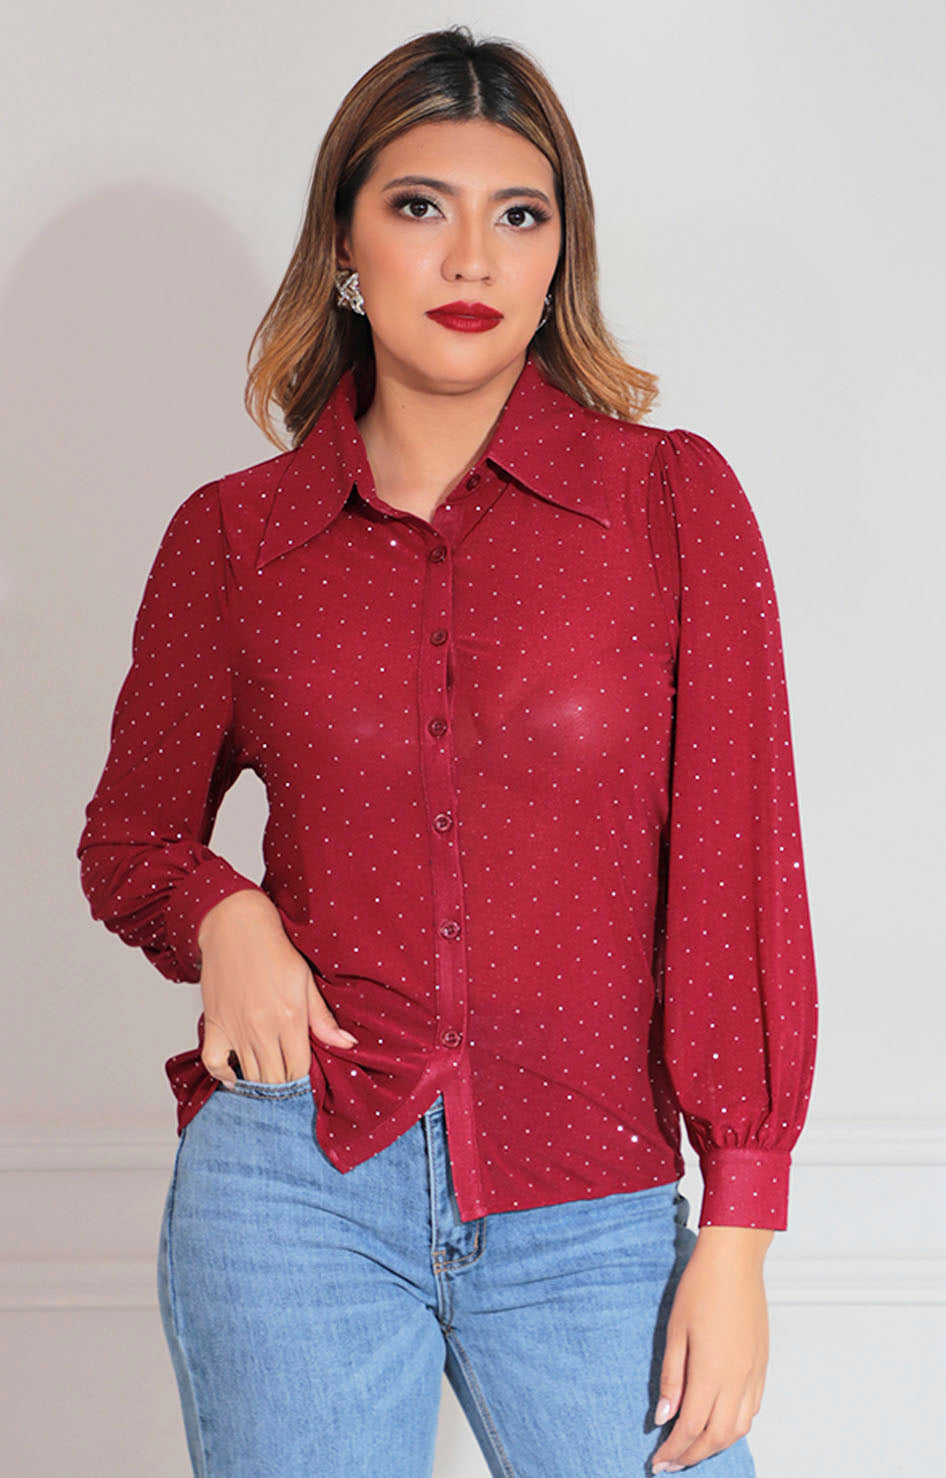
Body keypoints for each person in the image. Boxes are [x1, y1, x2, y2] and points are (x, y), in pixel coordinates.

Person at [76, 24, 818, 1478]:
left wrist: (737, 1227)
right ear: (345, 248)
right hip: (296, 1185)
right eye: (420, 206)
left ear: (557, 259)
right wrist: (221, 912)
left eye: (518, 215)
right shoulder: (233, 540)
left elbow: (739, 868)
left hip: (591, 1205)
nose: (471, 256)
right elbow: (130, 839)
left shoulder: (670, 504)